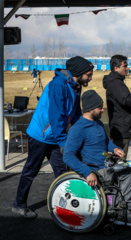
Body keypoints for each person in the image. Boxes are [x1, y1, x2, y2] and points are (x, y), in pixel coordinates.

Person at [12, 56, 94, 219]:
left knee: (62, 172)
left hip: (56, 136)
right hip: (40, 135)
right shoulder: (58, 85)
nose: (90, 78)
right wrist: (64, 142)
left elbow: (76, 113)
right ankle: (19, 205)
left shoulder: (76, 86)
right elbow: (56, 116)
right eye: (89, 74)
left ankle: (66, 206)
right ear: (79, 72)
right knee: (31, 170)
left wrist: (82, 133)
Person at [63, 90, 131, 226]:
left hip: (106, 164)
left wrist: (114, 148)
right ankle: (120, 212)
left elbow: (106, 141)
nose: (103, 110)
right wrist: (87, 172)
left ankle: (127, 207)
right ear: (90, 108)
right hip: (95, 170)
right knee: (128, 174)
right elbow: (67, 156)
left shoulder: (98, 124)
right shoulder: (77, 129)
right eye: (100, 107)